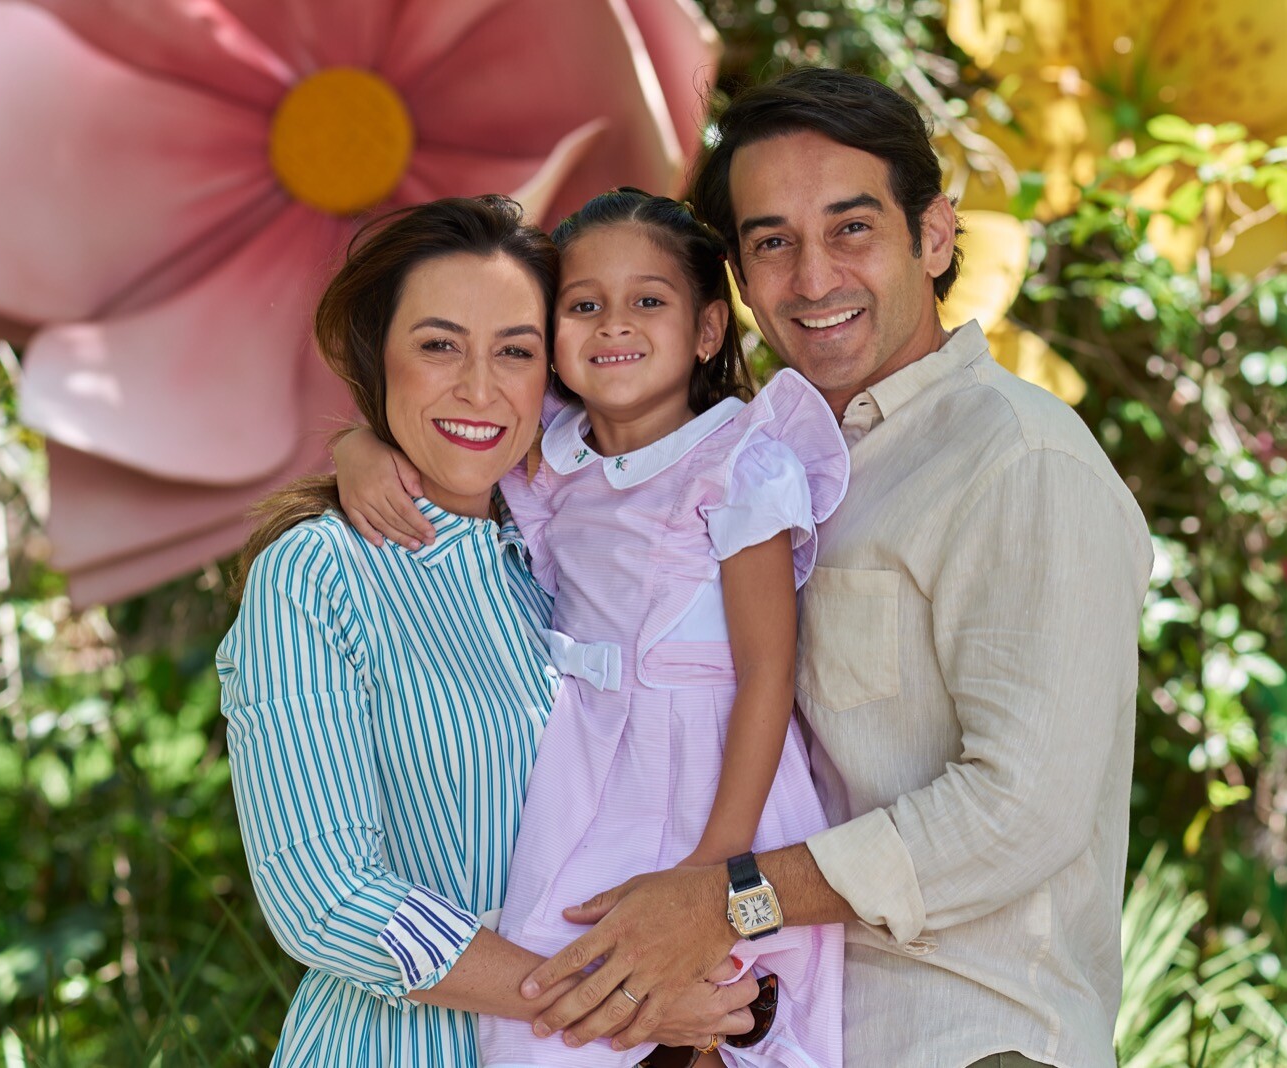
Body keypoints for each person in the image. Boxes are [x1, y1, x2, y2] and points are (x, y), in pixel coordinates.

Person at [352, 69, 1156, 1067]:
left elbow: (1017, 812)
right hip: (773, 1025)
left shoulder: (1016, 461)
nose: (812, 279)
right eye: (772, 241)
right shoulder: (766, 450)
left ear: (936, 236)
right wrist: (367, 452)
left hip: (961, 1037)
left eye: (851, 229)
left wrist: (731, 894)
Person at [217, 195, 757, 1068]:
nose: (479, 386)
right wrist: (619, 1000)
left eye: (515, 351)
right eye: (437, 346)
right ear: (376, 357)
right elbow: (326, 898)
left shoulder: (556, 556)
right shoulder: (316, 574)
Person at [335, 188, 846, 1068]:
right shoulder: (552, 457)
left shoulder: (740, 462)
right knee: (550, 1018)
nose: (615, 325)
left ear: (708, 331)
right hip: (584, 777)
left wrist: (716, 870)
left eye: (649, 300)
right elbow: (446, 461)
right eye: (583, 305)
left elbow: (768, 671)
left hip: (712, 779)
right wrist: (358, 448)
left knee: (722, 1013)